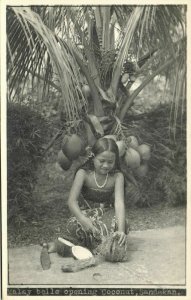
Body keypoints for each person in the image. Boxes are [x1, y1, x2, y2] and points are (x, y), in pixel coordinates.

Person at [66, 137, 129, 252]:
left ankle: (95, 245)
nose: (106, 165)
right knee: (73, 226)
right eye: (102, 161)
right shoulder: (83, 173)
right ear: (93, 157)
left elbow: (119, 203)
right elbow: (71, 201)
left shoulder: (117, 176)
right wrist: (82, 219)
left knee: (121, 224)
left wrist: (120, 230)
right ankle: (100, 245)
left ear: (115, 161)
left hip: (106, 215)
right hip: (86, 215)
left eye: (110, 162)